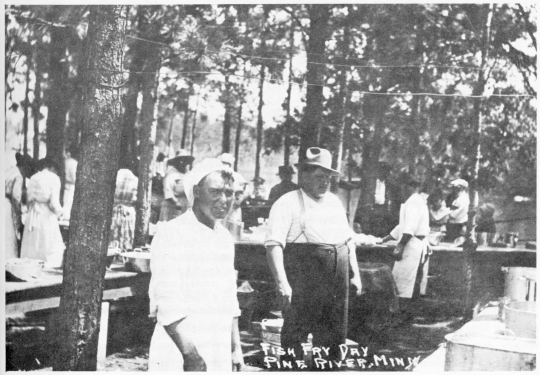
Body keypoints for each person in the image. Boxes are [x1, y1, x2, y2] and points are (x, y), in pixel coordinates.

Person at [265, 147, 362, 365]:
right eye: (319, 177)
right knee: (296, 337)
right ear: (303, 176)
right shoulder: (287, 202)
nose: (324, 183)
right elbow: (273, 245)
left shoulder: (334, 202)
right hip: (305, 278)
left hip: (337, 279)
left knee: (334, 336)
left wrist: (354, 274)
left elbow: (348, 240)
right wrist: (282, 283)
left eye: (328, 178)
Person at [148, 158, 243, 372]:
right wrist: (190, 354)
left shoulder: (224, 237)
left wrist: (235, 347)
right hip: (179, 348)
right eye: (215, 191)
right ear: (197, 192)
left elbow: (230, 297)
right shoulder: (172, 233)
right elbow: (167, 301)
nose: (223, 199)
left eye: (229, 193)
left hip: (217, 344)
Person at [381, 174, 430, 324]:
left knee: (409, 282)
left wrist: (400, 246)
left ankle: (406, 317)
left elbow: (409, 229)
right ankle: (406, 316)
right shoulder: (410, 202)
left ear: (410, 187)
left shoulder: (414, 202)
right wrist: (385, 239)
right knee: (406, 281)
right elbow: (402, 226)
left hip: (412, 245)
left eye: (404, 187)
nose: (401, 190)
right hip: (413, 244)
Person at [20, 158, 65, 268]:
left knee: (33, 242)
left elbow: (28, 200)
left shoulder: (33, 178)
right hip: (46, 214)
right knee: (48, 242)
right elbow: (53, 203)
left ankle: (30, 266)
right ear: (53, 168)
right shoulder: (54, 178)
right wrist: (61, 213)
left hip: (33, 214)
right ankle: (48, 266)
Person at [5, 153, 35, 259]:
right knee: (8, 235)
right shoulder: (18, 176)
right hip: (6, 204)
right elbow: (16, 197)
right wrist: (18, 213)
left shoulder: (8, 171)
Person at [159, 151, 194, 222]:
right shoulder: (171, 174)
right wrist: (176, 203)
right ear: (176, 162)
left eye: (185, 160)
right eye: (180, 160)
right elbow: (168, 191)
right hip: (173, 205)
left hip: (185, 205)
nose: (183, 163)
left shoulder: (188, 174)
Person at [110, 166, 138, 252]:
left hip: (114, 210)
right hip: (128, 212)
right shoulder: (135, 180)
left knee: (113, 236)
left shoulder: (114, 177)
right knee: (126, 236)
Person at [62, 147, 78, 220]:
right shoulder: (72, 162)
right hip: (70, 185)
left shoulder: (71, 162)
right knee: (68, 203)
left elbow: (74, 177)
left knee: (68, 203)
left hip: (70, 185)